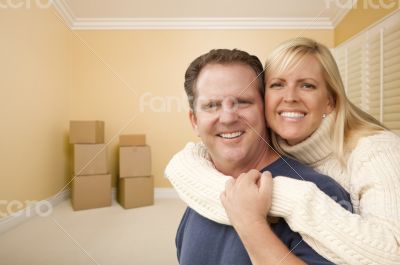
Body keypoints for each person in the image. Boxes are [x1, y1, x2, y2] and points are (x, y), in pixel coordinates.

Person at [165, 38, 400, 264]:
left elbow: (392, 254)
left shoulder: (367, 157)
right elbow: (184, 164)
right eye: (211, 105)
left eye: (243, 101)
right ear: (194, 121)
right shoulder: (203, 186)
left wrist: (267, 209)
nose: (227, 117)